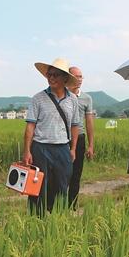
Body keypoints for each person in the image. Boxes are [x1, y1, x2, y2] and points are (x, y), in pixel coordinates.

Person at [23, 58, 80, 216]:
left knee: (62, 185)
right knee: (38, 187)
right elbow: (30, 126)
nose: (52, 78)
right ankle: (36, 221)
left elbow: (75, 125)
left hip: (63, 148)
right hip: (41, 148)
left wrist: (73, 148)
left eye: (56, 75)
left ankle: (59, 219)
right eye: (49, 75)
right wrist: (27, 151)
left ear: (65, 78)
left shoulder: (73, 100)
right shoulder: (38, 98)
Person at [67, 66, 94, 209]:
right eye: (76, 76)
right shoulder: (62, 95)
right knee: (61, 174)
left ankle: (72, 205)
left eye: (81, 76)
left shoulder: (86, 98)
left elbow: (89, 122)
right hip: (63, 139)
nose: (79, 79)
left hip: (80, 138)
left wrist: (91, 145)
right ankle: (56, 204)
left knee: (76, 174)